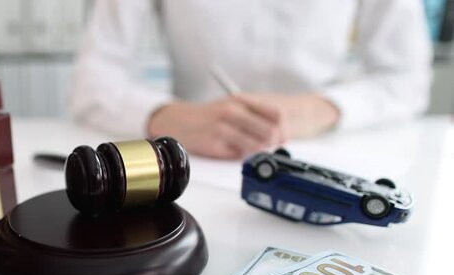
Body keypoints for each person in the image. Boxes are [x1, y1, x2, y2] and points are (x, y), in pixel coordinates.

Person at [69, 1, 432, 159]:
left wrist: (318, 110)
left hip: (327, 151)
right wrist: (165, 117)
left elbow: (407, 78)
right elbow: (93, 79)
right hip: (195, 159)